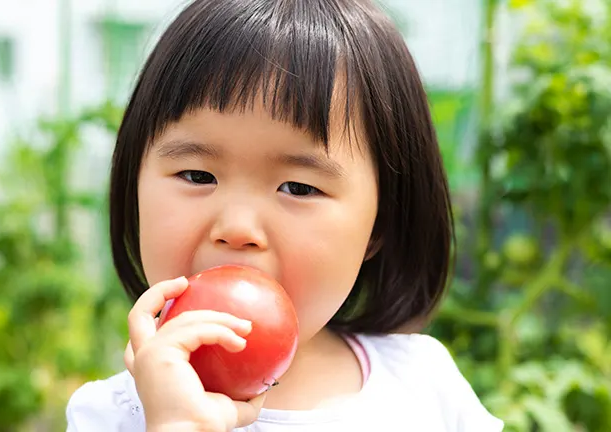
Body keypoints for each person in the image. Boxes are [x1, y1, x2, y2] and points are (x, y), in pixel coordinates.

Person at [66, 0, 504, 430]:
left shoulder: (424, 389)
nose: (237, 228)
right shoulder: (111, 415)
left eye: (298, 187)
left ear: (381, 223)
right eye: (198, 175)